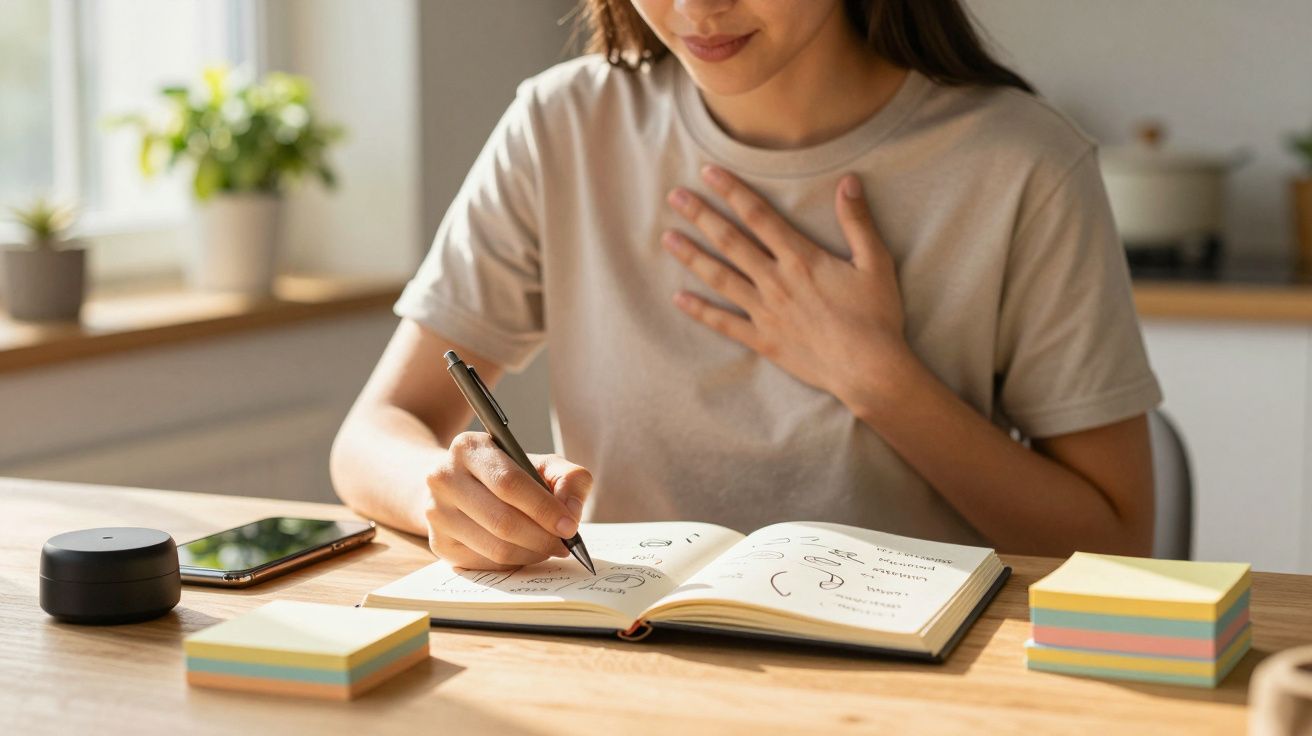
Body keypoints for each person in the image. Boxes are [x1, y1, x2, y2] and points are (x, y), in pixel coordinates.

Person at [330, 0, 1162, 571]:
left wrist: (880, 381)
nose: (699, 6)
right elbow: (373, 432)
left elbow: (1117, 541)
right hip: (625, 669)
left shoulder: (1025, 167)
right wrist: (444, 493)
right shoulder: (562, 126)